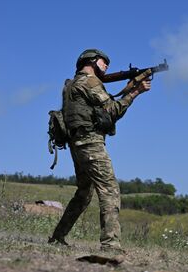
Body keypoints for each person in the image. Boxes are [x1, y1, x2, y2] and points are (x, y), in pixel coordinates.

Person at [48, 49, 151, 251]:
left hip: (76, 143)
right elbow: (112, 111)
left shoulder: (70, 85)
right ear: (92, 61)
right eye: (104, 62)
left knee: (84, 193)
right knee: (109, 189)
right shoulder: (90, 82)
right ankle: (110, 243)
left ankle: (58, 237)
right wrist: (135, 92)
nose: (106, 67)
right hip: (90, 143)